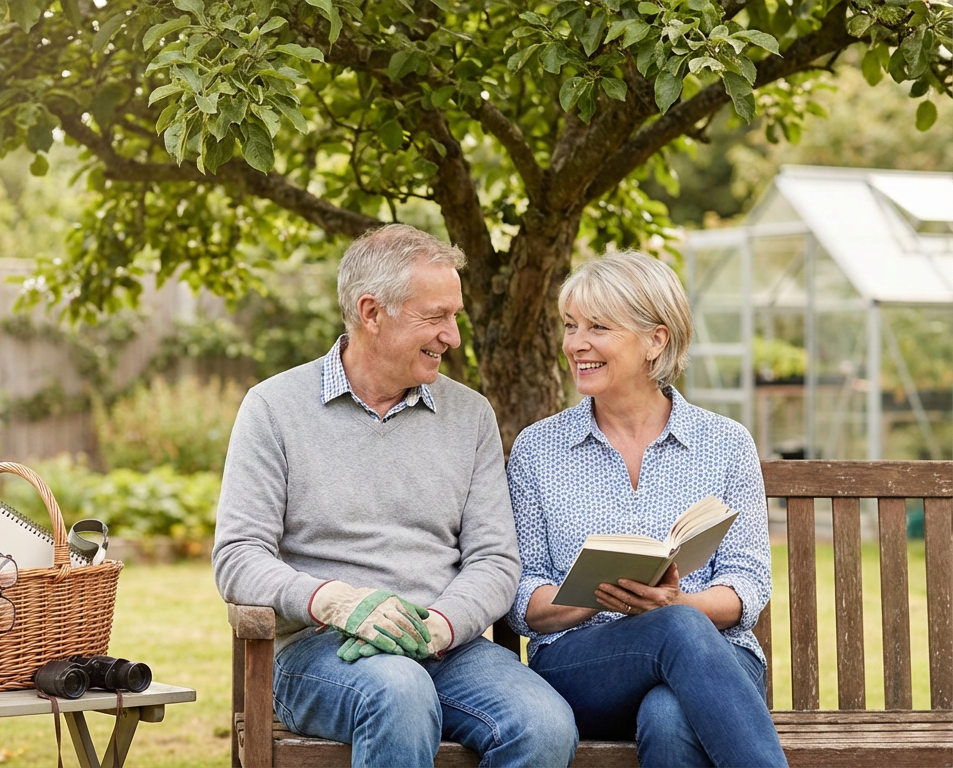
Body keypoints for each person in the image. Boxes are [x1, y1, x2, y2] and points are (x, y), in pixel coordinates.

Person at [212, 223, 578, 767]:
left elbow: (495, 559)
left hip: (445, 644)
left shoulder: (470, 415)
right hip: (321, 648)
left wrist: (441, 626)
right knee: (399, 691)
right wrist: (339, 601)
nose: (453, 336)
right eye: (435, 317)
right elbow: (238, 558)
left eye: (454, 316)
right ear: (371, 312)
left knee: (545, 725)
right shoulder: (273, 408)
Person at [505, 250, 787, 767]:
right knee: (675, 629)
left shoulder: (725, 443)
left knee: (668, 715)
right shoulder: (537, 449)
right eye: (570, 326)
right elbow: (521, 596)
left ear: (656, 340)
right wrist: (598, 594)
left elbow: (747, 586)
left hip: (717, 664)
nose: (576, 344)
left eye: (598, 326)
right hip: (583, 666)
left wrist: (670, 606)